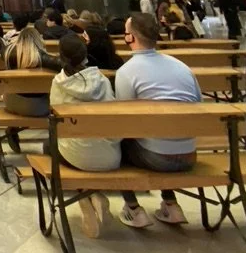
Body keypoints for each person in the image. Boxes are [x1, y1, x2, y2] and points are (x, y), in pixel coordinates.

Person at [115, 13, 202, 228]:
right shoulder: (182, 67)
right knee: (159, 136)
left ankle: (133, 209)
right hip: (189, 153)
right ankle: (170, 204)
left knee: (115, 145)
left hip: (156, 157)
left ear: (130, 38)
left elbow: (123, 120)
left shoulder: (127, 72)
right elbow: (200, 105)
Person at [48, 34, 121, 237]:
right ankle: (94, 195)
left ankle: (86, 199)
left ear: (61, 56)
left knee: (50, 146)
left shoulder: (59, 82)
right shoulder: (102, 80)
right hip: (110, 154)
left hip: (77, 154)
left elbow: (55, 120)